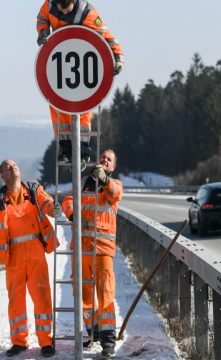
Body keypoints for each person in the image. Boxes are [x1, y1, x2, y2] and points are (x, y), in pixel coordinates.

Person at [36, 0, 124, 165]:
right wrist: (42, 32)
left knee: (82, 110)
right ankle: (65, 148)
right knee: (56, 106)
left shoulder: (87, 13)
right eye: (59, 9)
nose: (62, 13)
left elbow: (106, 35)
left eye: (65, 9)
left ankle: (83, 150)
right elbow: (42, 18)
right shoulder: (49, 4)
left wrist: (118, 58)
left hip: (83, 66)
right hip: (59, 63)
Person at [62, 149, 123, 358]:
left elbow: (115, 194)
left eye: (109, 159)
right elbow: (68, 199)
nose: (104, 160)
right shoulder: (84, 183)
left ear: (112, 167)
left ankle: (108, 342)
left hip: (103, 250)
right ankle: (94, 330)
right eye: (103, 157)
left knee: (105, 294)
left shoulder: (114, 185)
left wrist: (105, 180)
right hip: (82, 249)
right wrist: (72, 214)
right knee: (82, 294)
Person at [0, 160, 61, 358]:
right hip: (13, 257)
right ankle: (19, 341)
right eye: (7, 167)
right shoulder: (1, 199)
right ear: (2, 175)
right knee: (15, 301)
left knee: (42, 298)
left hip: (35, 252)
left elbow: (47, 203)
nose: (12, 167)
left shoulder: (33, 190)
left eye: (14, 165)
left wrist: (55, 209)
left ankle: (46, 342)